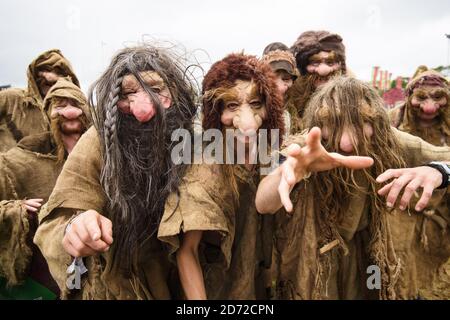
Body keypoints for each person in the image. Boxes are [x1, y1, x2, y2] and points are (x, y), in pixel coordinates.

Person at [255, 76, 450, 299]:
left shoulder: (388, 140)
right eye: (333, 122)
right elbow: (263, 203)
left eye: (361, 122)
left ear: (376, 122)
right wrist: (287, 172)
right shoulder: (306, 146)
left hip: (368, 250)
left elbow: (444, 157)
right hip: (314, 254)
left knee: (372, 289)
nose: (347, 142)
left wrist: (439, 171)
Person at [34, 45, 198, 299]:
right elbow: (54, 224)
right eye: (127, 94)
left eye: (156, 90)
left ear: (176, 91)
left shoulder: (195, 140)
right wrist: (74, 227)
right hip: (123, 284)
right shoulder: (99, 141)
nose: (143, 110)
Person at [0, 78, 90, 299]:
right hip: (48, 266)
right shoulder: (21, 160)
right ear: (48, 113)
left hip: (96, 253)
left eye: (75, 104)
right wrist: (16, 208)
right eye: (60, 106)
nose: (69, 112)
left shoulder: (102, 150)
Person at [0, 49, 79, 152]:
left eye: (58, 72)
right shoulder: (11, 98)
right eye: (46, 70)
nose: (49, 77)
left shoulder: (74, 110)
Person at [287, 31, 347, 133]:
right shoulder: (287, 97)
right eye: (315, 62)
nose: (323, 70)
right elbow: (268, 140)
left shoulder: (351, 98)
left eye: (330, 62)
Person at [262, 42, 299, 137]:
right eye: (272, 78)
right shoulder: (257, 109)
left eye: (286, 79)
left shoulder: (296, 110)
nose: (279, 87)